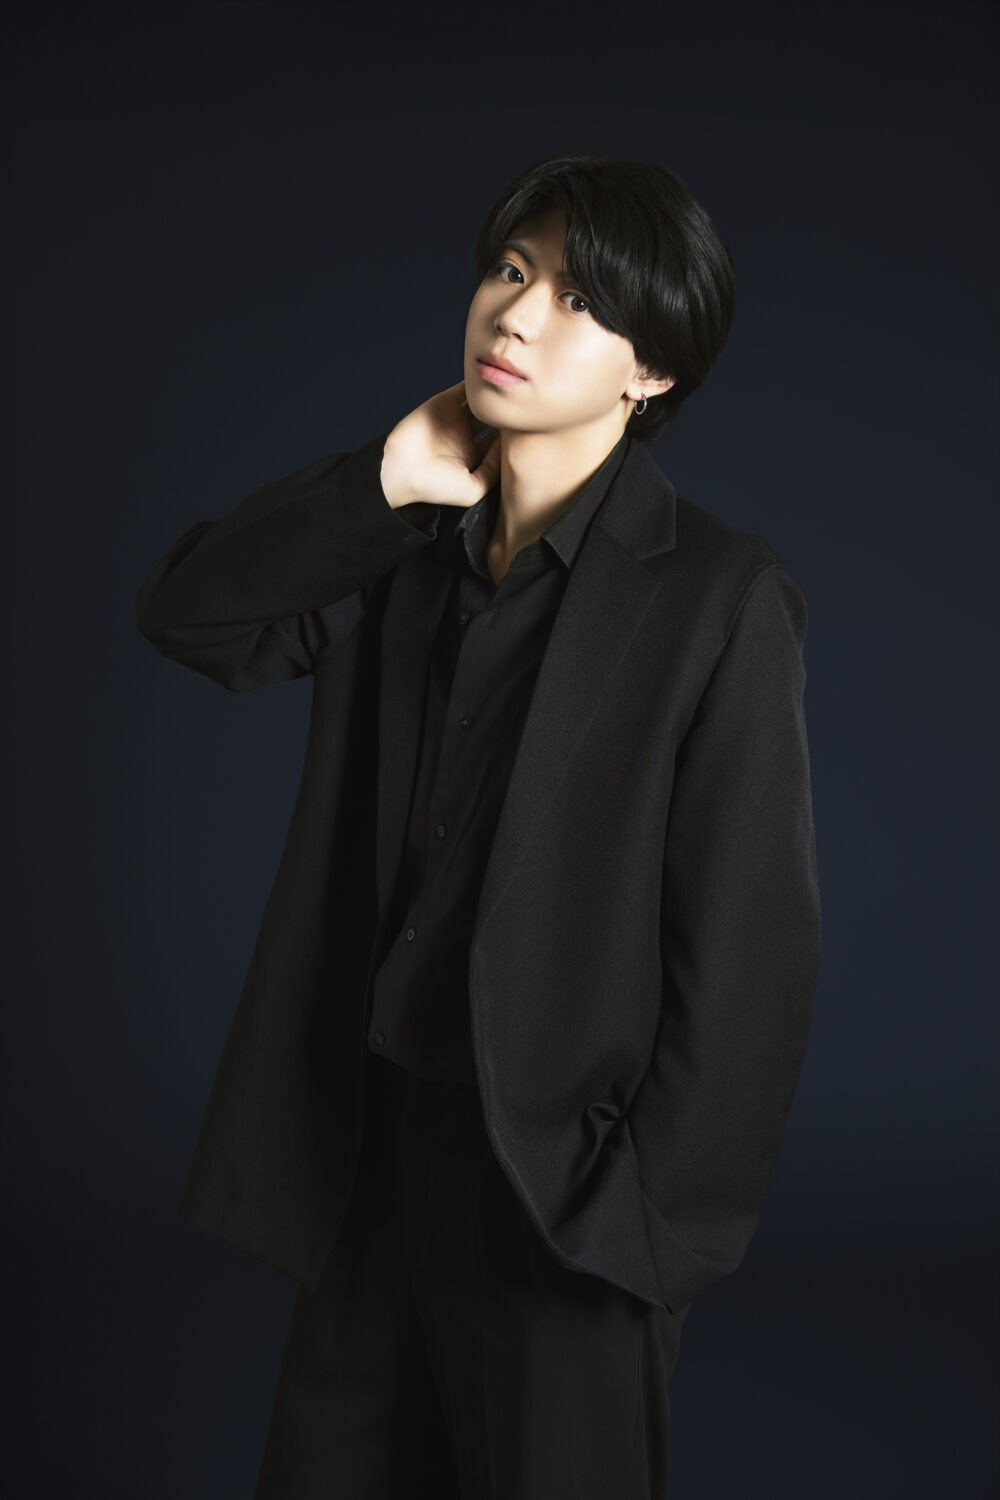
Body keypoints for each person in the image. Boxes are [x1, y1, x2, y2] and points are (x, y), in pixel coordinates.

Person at [136, 153, 822, 1498]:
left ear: (652, 371)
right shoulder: (397, 551)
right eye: (512, 272)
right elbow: (189, 617)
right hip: (370, 1175)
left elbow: (753, 955)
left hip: (560, 1212)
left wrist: (643, 1233)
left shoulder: (718, 598)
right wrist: (381, 483)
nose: (516, 314)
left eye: (579, 300)